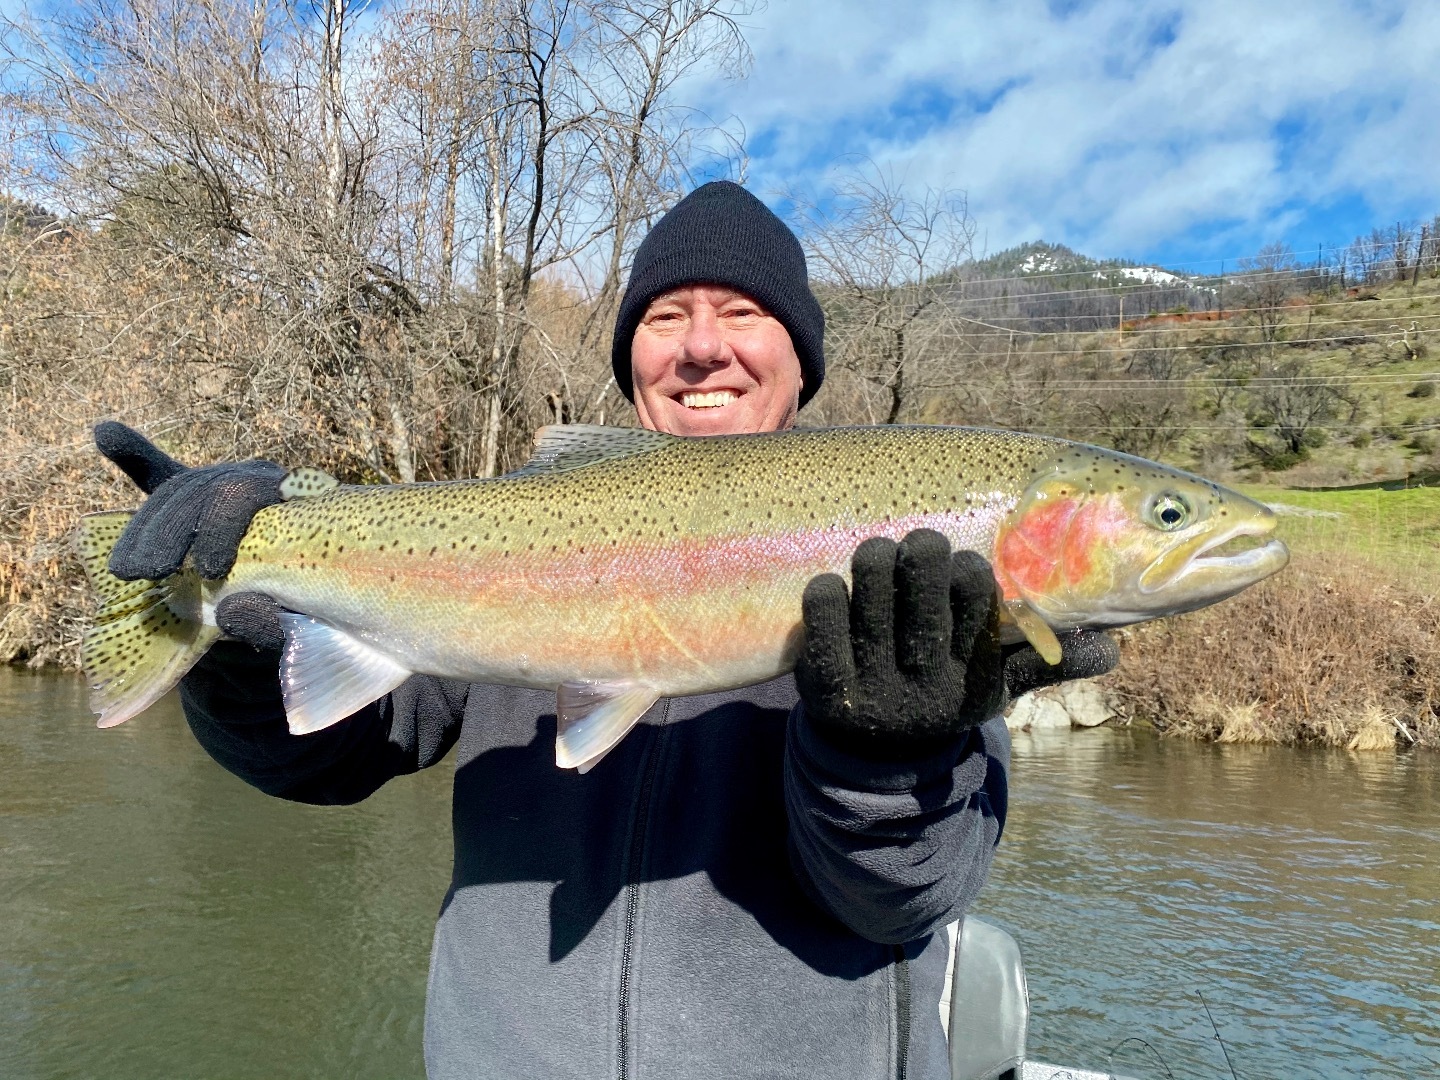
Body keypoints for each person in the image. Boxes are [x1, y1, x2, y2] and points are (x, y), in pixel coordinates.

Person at [96, 180, 1118, 1079]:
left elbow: (902, 902)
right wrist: (235, 641)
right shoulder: (534, 526)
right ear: (632, 358)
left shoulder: (912, 583)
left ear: (800, 362)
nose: (702, 344)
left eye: (743, 313)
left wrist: (884, 758)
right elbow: (318, 755)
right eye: (667, 313)